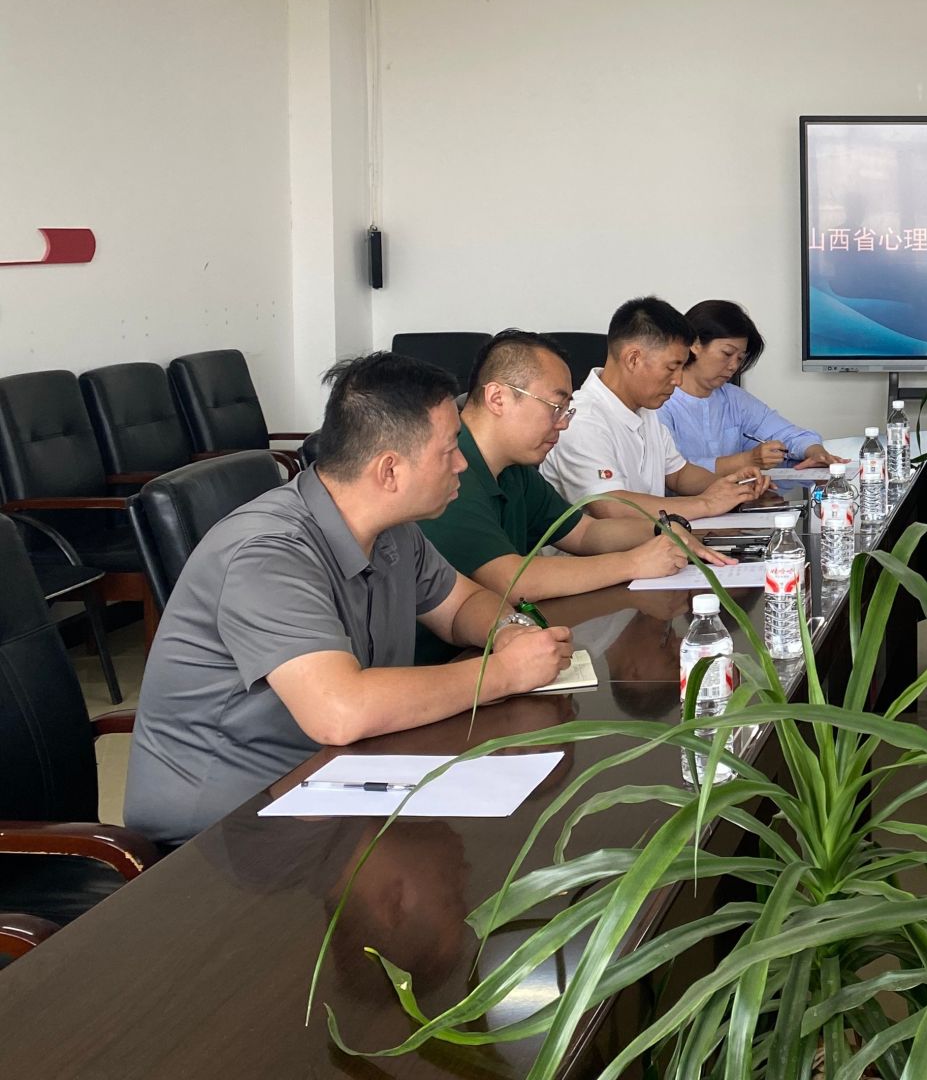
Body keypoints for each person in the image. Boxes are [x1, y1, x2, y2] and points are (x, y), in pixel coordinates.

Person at [123, 353, 576, 847]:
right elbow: (340, 711)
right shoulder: (267, 553)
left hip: (335, 782)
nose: (462, 463)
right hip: (226, 834)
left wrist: (510, 631)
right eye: (449, 450)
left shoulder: (392, 530)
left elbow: (461, 606)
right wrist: (504, 673)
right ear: (389, 471)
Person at [421, 330, 720, 602]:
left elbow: (584, 532)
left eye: (567, 411)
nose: (563, 424)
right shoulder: (450, 468)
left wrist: (660, 531)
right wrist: (634, 563)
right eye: (555, 407)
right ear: (497, 398)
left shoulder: (514, 469)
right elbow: (510, 580)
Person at [541, 296, 771, 523]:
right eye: (672, 368)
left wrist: (732, 486)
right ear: (633, 359)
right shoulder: (582, 420)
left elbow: (679, 474)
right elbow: (611, 506)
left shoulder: (645, 411)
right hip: (598, 548)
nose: (678, 380)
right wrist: (707, 504)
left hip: (649, 541)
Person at [657, 300, 846, 476]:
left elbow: (791, 435)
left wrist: (815, 452)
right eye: (727, 353)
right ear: (695, 344)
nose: (733, 366)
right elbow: (672, 472)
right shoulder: (660, 400)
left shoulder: (734, 398)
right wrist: (747, 460)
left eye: (740, 358)